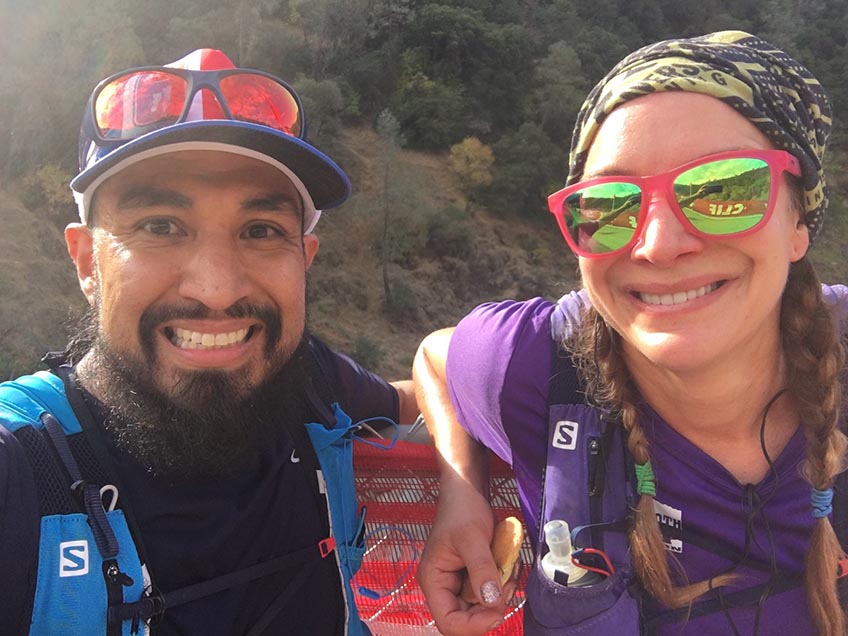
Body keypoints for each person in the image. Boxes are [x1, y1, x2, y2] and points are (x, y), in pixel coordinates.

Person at [413, 31, 848, 635]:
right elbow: (437, 358)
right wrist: (463, 488)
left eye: (722, 190)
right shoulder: (539, 362)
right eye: (611, 205)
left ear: (799, 222)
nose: (659, 244)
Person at [0, 48, 418, 635]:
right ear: (88, 261)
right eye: (160, 226)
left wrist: (466, 485)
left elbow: (436, 378)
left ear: (305, 259)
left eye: (261, 230)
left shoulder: (309, 382)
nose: (217, 289)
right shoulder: (20, 466)